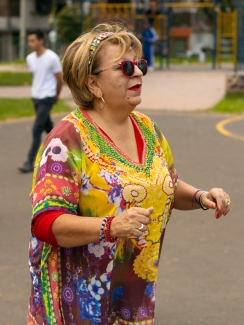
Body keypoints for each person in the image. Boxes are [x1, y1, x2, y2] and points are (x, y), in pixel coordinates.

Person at [27, 23, 231, 325]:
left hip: (133, 294)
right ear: (92, 84)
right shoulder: (67, 139)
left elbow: (167, 185)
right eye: (124, 66)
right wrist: (110, 226)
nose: (136, 72)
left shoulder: (147, 128)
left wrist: (202, 196)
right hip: (79, 305)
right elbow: (45, 223)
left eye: (140, 64)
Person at [19, 29, 62, 173]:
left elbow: (59, 79)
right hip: (36, 96)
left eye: (33, 40)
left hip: (48, 97)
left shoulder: (52, 57)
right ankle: (62, 146)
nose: (30, 44)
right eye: (29, 41)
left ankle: (29, 161)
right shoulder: (30, 58)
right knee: (47, 127)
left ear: (41, 41)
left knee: (37, 128)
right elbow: (35, 76)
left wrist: (56, 96)